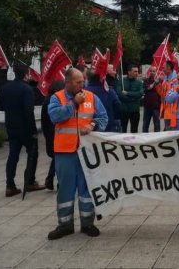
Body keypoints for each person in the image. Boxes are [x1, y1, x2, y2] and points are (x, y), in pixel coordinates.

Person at [47, 68, 108, 240]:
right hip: (65, 153)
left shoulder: (91, 97)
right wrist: (73, 104)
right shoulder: (57, 98)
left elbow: (103, 117)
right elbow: (55, 116)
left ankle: (87, 223)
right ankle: (65, 225)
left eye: (83, 81)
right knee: (65, 189)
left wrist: (93, 125)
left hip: (86, 152)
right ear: (68, 83)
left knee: (86, 187)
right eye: (78, 82)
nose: (82, 84)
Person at [0, 64, 45, 197]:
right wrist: (33, 130)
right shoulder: (27, 89)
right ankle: (29, 181)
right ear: (26, 75)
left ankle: (10, 185)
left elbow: (0, 106)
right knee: (33, 153)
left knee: (13, 155)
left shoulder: (6, 87)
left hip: (11, 127)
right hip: (25, 128)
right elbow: (28, 111)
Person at [41, 80, 65, 190]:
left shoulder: (46, 100)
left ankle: (50, 179)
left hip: (49, 134)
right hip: (57, 133)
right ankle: (58, 182)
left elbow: (43, 120)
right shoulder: (56, 101)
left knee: (56, 158)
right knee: (59, 158)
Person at [116, 65, 143, 133]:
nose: (137, 73)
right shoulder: (121, 81)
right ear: (129, 72)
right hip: (124, 110)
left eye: (137, 71)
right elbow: (119, 94)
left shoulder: (139, 83)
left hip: (135, 110)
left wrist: (128, 93)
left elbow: (140, 94)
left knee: (134, 130)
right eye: (135, 71)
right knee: (123, 130)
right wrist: (133, 98)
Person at [157, 61, 178, 130]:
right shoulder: (165, 80)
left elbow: (175, 96)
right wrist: (158, 85)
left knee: (172, 133)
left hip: (173, 112)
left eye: (164, 68)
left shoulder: (176, 80)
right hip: (166, 111)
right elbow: (162, 94)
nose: (162, 69)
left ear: (169, 68)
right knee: (168, 130)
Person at [142, 66, 162, 132]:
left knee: (157, 125)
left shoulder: (160, 81)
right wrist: (152, 85)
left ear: (156, 72)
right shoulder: (146, 80)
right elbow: (145, 89)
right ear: (149, 72)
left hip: (156, 106)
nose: (152, 72)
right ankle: (144, 139)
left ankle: (157, 139)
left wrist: (157, 82)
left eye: (154, 71)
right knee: (145, 124)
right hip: (147, 106)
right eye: (151, 71)